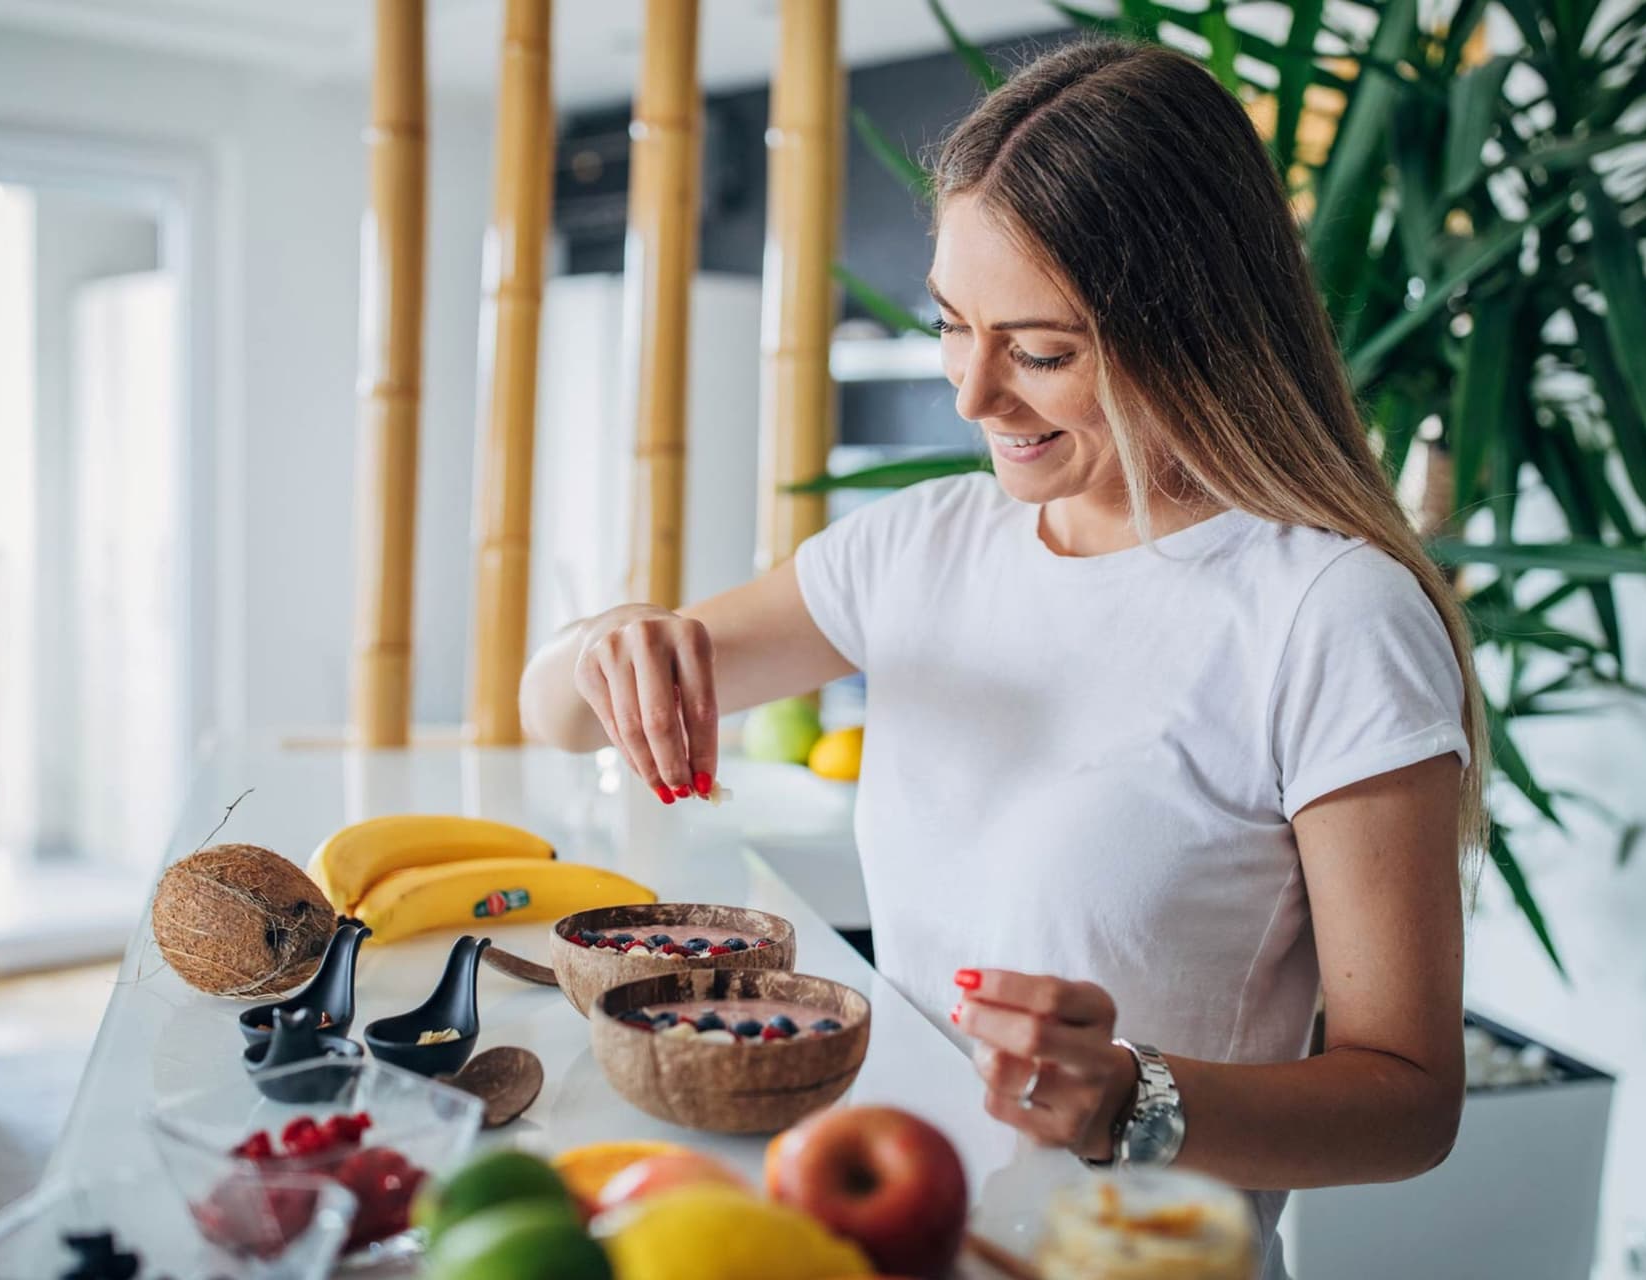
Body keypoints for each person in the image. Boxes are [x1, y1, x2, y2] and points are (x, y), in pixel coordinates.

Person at [520, 38, 1485, 1273]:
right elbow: (555, 714)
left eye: (1039, 351)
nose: (971, 393)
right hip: (890, 1230)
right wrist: (608, 644)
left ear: (1193, 330)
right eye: (949, 322)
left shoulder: (1328, 615)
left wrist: (1127, 1096)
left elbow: (1409, 1101)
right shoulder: (919, 547)